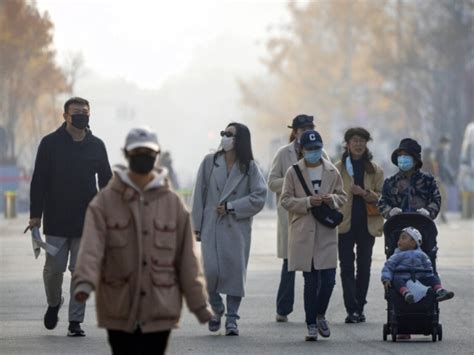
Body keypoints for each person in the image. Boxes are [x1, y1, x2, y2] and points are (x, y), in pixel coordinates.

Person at [73, 127, 212, 355]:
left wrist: (199, 305)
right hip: (118, 305)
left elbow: (187, 260)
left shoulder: (172, 204)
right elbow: (91, 248)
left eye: (148, 152)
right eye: (137, 152)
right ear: (126, 155)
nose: (143, 157)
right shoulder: (105, 202)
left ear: (156, 156)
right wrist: (84, 283)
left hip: (161, 306)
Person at [28, 97, 112, 337]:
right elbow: (39, 181)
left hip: (87, 220)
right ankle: (54, 303)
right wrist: (36, 216)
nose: (81, 116)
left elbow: (106, 181)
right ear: (65, 115)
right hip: (56, 219)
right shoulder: (50, 143)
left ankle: (75, 322)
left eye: (85, 112)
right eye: (76, 112)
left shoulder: (97, 145)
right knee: (53, 270)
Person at [191, 122, 267, 336]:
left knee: (234, 274)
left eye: (230, 134)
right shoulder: (210, 162)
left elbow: (259, 196)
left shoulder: (250, 167)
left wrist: (233, 207)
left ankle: (232, 319)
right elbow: (199, 195)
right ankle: (216, 309)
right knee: (209, 273)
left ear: (240, 139)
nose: (225, 137)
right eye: (223, 133)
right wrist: (196, 226)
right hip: (211, 226)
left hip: (236, 228)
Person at [280, 130, 346, 341]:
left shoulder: (332, 171)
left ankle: (320, 315)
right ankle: (310, 324)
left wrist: (331, 199)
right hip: (303, 232)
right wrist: (307, 202)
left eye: (317, 148)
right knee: (310, 281)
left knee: (328, 280)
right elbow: (285, 200)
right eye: (309, 149)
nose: (313, 153)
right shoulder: (293, 172)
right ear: (302, 150)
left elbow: (343, 196)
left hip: (326, 232)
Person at [267, 114, 330, 323]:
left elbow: (331, 176)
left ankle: (314, 311)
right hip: (291, 215)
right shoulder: (283, 153)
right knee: (289, 264)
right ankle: (283, 308)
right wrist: (292, 181)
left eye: (309, 128)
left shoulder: (321, 153)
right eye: (302, 129)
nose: (305, 132)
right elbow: (271, 181)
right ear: (295, 132)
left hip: (315, 215)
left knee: (314, 265)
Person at [335, 128, 384, 324]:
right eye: (355, 140)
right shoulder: (337, 168)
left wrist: (364, 193)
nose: (358, 144)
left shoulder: (375, 169)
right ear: (347, 144)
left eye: (362, 141)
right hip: (344, 225)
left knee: (364, 267)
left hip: (367, 225)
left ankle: (360, 306)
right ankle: (351, 309)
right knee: (346, 267)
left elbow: (383, 198)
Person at [378, 138, 442, 268]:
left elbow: (436, 199)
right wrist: (389, 211)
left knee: (427, 265)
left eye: (406, 155)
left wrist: (428, 212)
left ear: (415, 159)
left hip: (423, 229)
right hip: (397, 231)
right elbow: (382, 201)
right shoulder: (391, 182)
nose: (402, 159)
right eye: (400, 155)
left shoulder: (428, 180)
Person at [381, 227, 454, 303]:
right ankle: (406, 293)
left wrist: (429, 274)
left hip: (420, 278)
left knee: (433, 278)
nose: (399, 241)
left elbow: (427, 265)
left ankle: (440, 291)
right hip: (403, 278)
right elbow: (388, 267)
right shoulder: (397, 255)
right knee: (396, 279)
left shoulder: (421, 254)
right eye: (399, 239)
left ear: (414, 242)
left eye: (403, 238)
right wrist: (386, 278)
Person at [436, 136, 456, 223]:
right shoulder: (439, 153)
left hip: (442, 178)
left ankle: (442, 215)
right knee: (444, 196)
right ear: (443, 143)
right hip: (440, 178)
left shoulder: (443, 153)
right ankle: (441, 215)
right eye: (447, 144)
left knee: (443, 197)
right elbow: (441, 166)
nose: (448, 146)